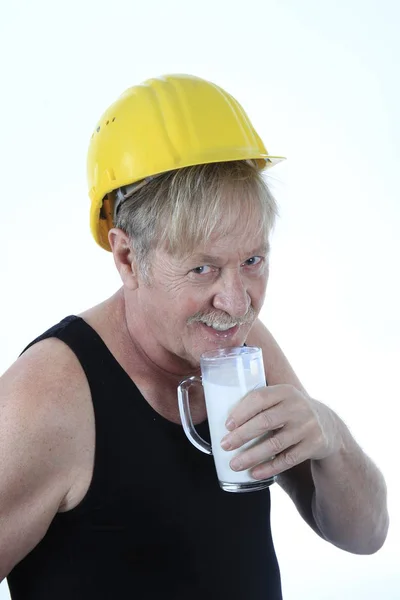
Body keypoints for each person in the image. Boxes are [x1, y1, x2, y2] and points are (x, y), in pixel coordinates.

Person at [0, 74, 389, 600]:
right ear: (127, 258)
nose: (235, 303)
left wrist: (329, 433)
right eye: (202, 270)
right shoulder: (47, 398)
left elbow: (365, 535)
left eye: (252, 261)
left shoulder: (245, 347)